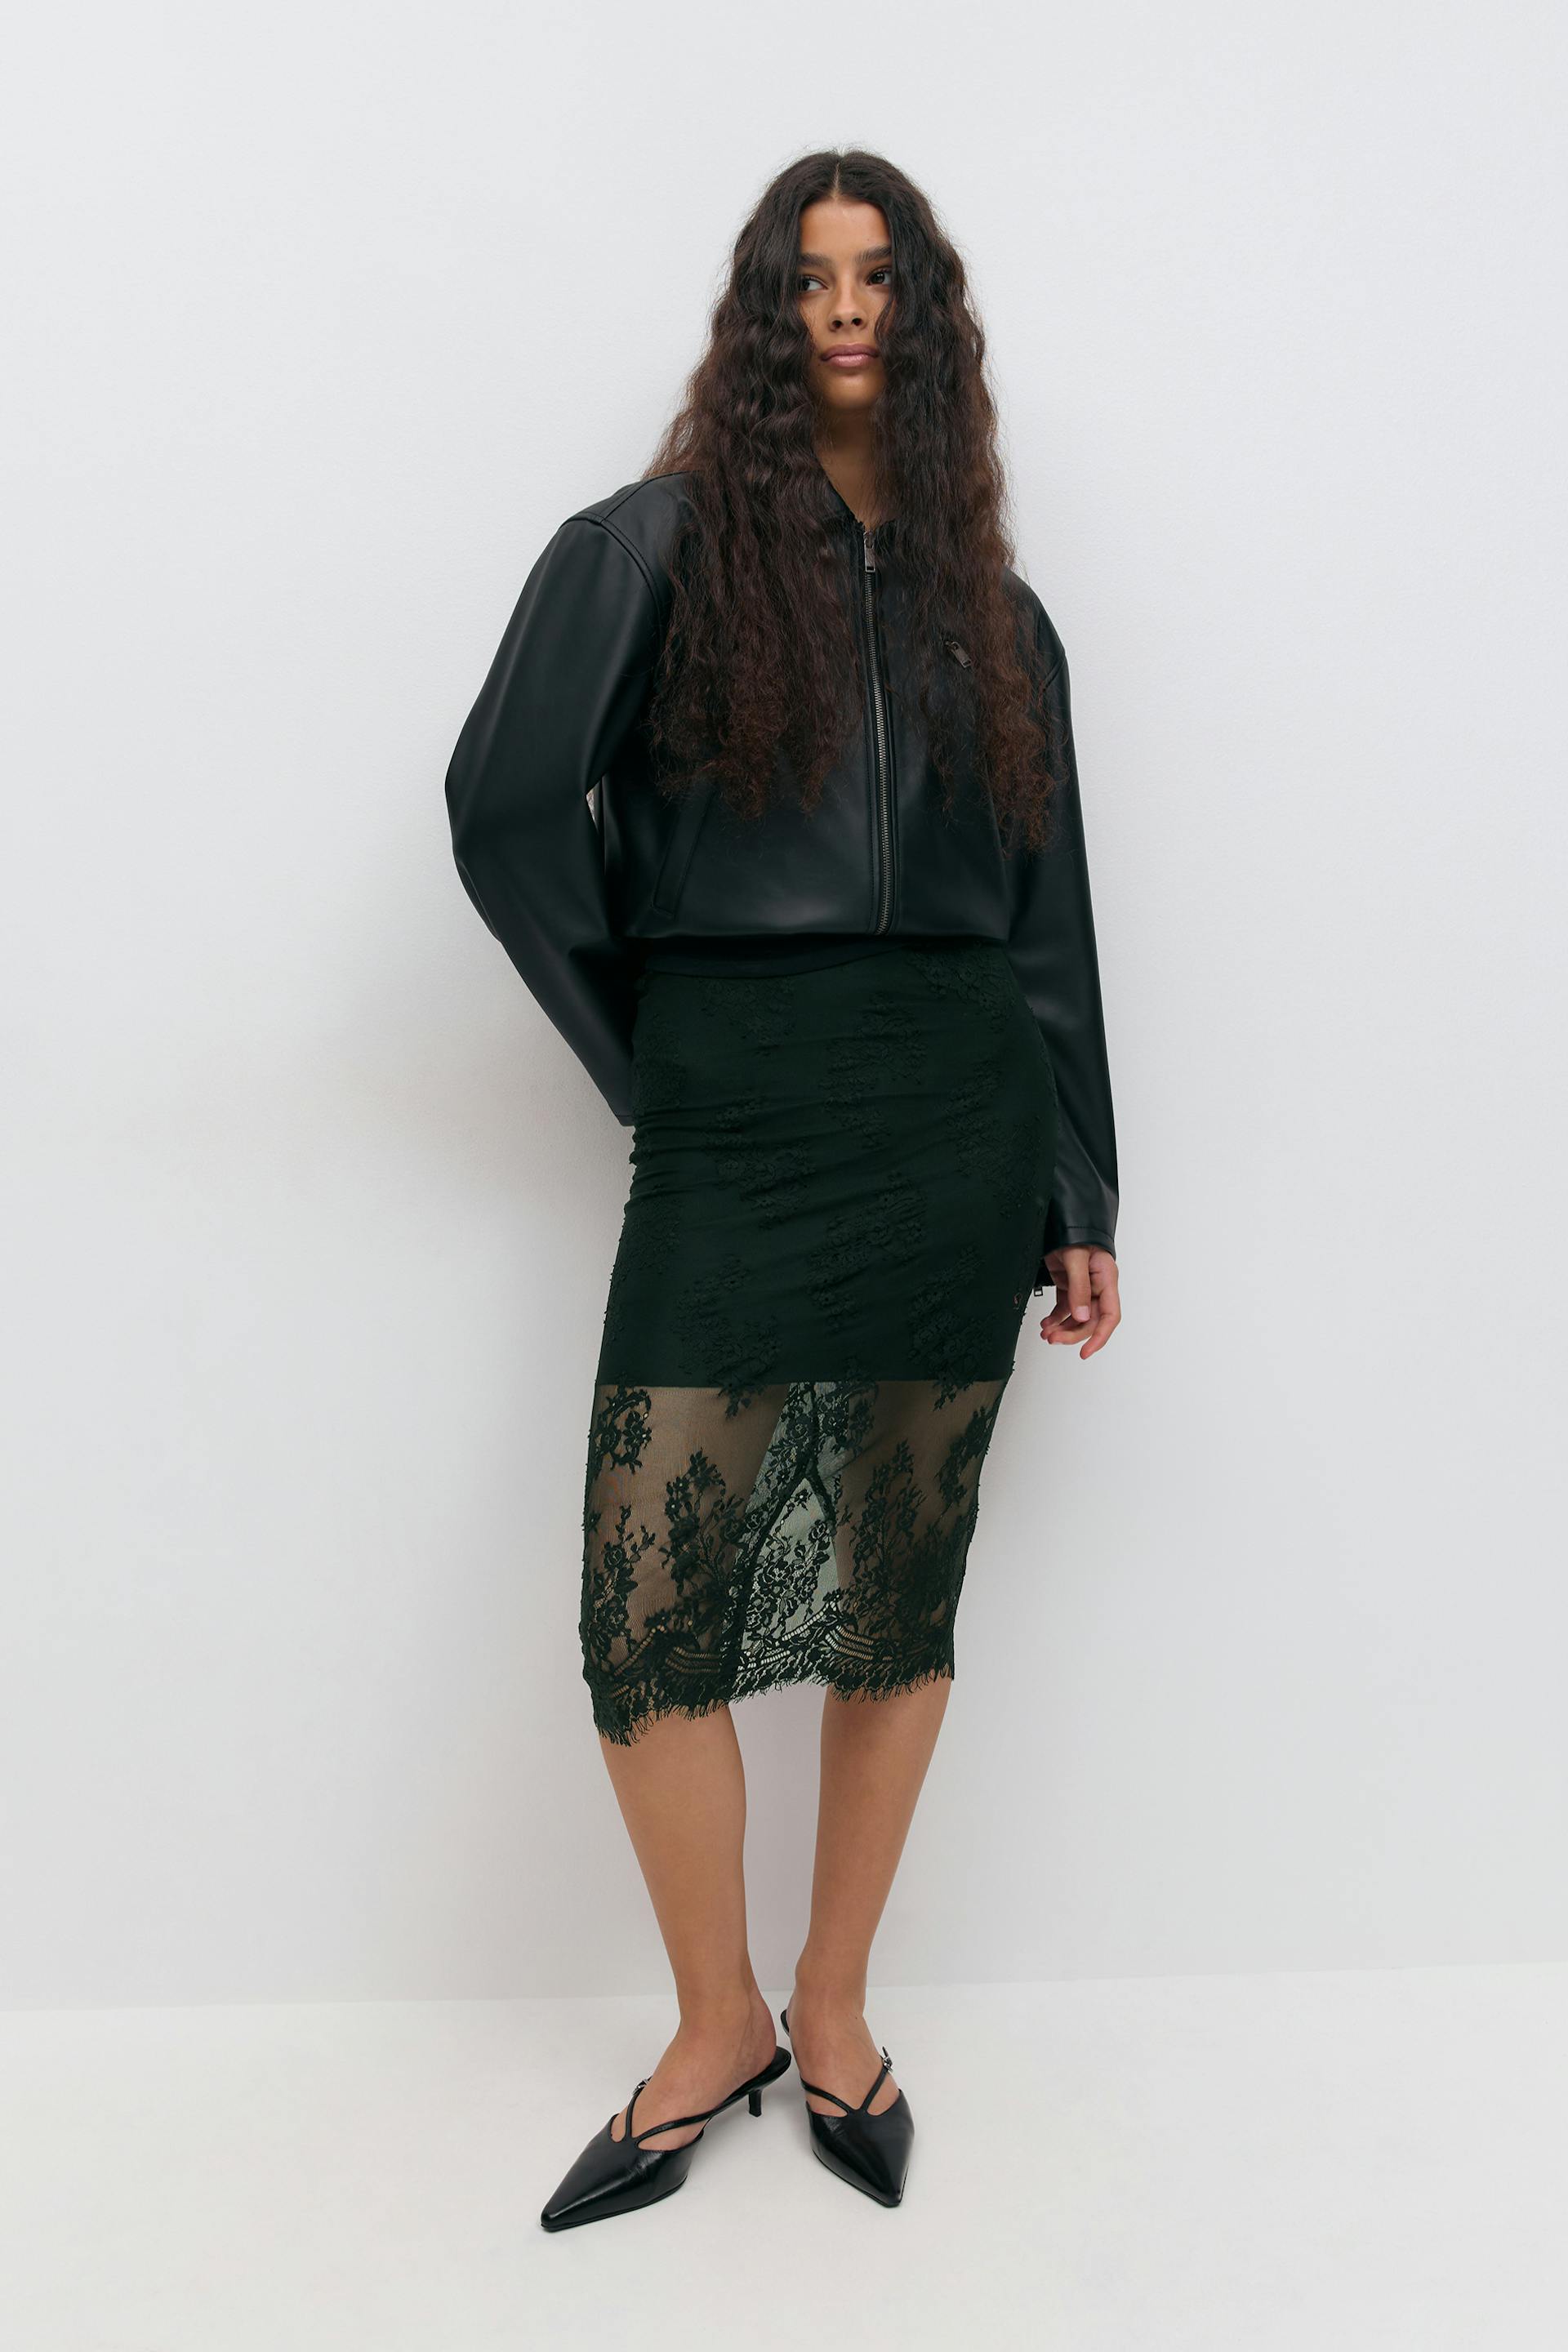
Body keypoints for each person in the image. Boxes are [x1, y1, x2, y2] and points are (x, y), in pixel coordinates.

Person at [443, 148, 1122, 2227]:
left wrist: (1081, 1184)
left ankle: (830, 2011)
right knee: (649, 1613)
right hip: (739, 1105)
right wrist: (653, 1052)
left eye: (881, 275)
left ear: (926, 317)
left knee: (896, 1597)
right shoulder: (644, 549)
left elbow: (1049, 922)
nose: (846, 308)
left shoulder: (999, 615)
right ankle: (712, 2018)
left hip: (953, 1113)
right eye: (810, 278)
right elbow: (501, 808)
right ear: (764, 312)